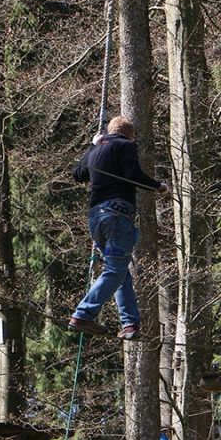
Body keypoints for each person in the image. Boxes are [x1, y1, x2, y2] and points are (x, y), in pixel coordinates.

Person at [68, 116, 169, 340]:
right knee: (115, 271)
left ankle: (130, 324)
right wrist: (158, 186)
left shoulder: (95, 150)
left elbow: (78, 174)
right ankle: (83, 314)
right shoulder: (126, 145)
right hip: (117, 217)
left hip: (96, 219)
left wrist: (91, 146)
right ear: (130, 134)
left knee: (120, 271)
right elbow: (132, 174)